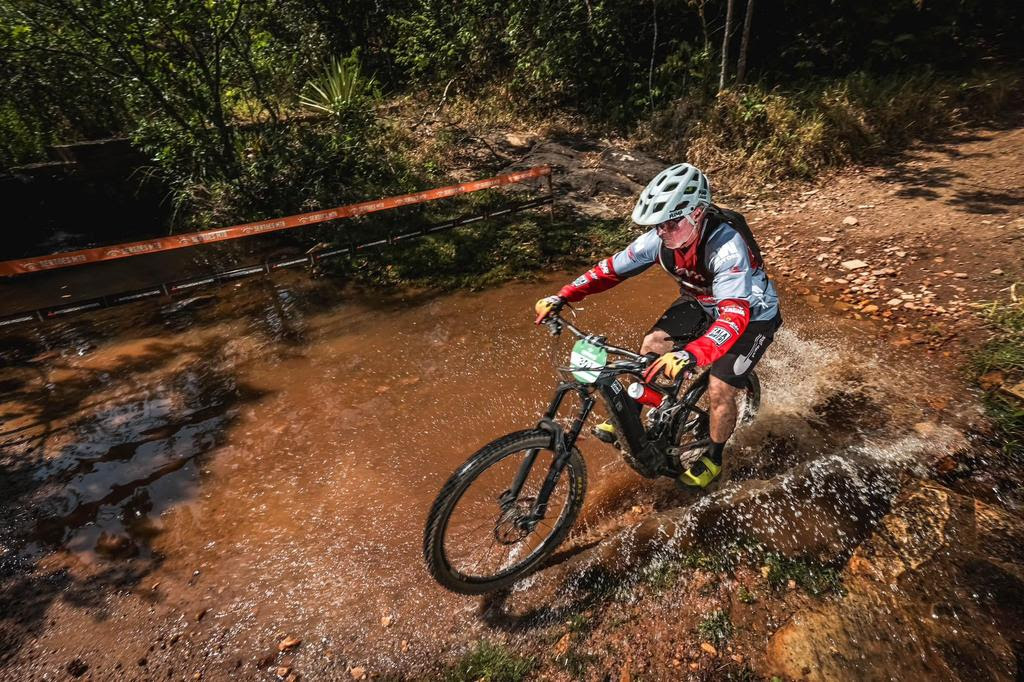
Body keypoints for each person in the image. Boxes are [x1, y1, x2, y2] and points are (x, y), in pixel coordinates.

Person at [534, 163, 781, 488]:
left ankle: (715, 457)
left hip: (752, 314)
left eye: (670, 223)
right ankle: (641, 414)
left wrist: (691, 354)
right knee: (653, 344)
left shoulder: (726, 248)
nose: (661, 232)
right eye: (657, 225)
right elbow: (610, 270)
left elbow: (734, 316)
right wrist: (562, 296)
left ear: (697, 213)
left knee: (719, 390)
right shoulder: (659, 239)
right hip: (700, 301)